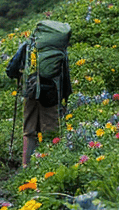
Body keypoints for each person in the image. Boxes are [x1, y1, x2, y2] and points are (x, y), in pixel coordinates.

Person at [6, 21, 72, 165]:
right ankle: (50, 164)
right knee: (51, 131)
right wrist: (65, 97)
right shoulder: (59, 49)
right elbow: (65, 76)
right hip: (51, 93)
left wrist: (20, 77)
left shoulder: (29, 45)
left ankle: (26, 165)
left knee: (29, 131)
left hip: (30, 92)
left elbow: (10, 69)